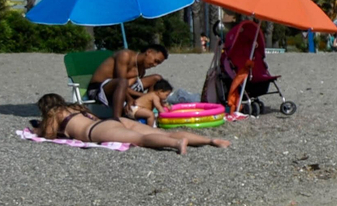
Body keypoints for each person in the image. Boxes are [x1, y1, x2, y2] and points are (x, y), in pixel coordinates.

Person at [35, 93, 229, 153]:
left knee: (142, 139)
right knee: (161, 132)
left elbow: (49, 134)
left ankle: (176, 144)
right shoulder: (75, 107)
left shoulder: (54, 113)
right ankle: (211, 140)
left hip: (98, 130)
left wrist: (38, 129)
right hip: (114, 120)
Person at [87, 44, 169, 120]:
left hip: (122, 88)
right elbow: (122, 82)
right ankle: (117, 119)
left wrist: (151, 98)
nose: (155, 65)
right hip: (98, 89)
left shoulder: (141, 69)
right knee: (123, 82)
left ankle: (145, 112)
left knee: (157, 78)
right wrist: (134, 98)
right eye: (156, 61)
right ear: (149, 52)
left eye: (158, 63)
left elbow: (128, 86)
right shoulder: (125, 56)